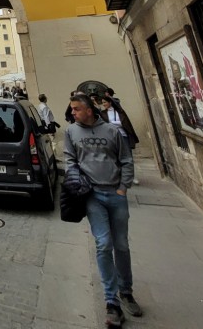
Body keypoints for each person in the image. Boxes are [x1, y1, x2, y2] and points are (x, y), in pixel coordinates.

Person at [64, 93, 143, 326]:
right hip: (92, 195)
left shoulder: (112, 131)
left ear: (90, 110)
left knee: (121, 245)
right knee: (103, 243)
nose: (73, 113)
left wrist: (123, 188)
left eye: (77, 109)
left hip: (116, 194)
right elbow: (70, 160)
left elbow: (126, 160)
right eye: (73, 109)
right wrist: (76, 182)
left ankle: (126, 291)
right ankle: (112, 301)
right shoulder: (71, 132)